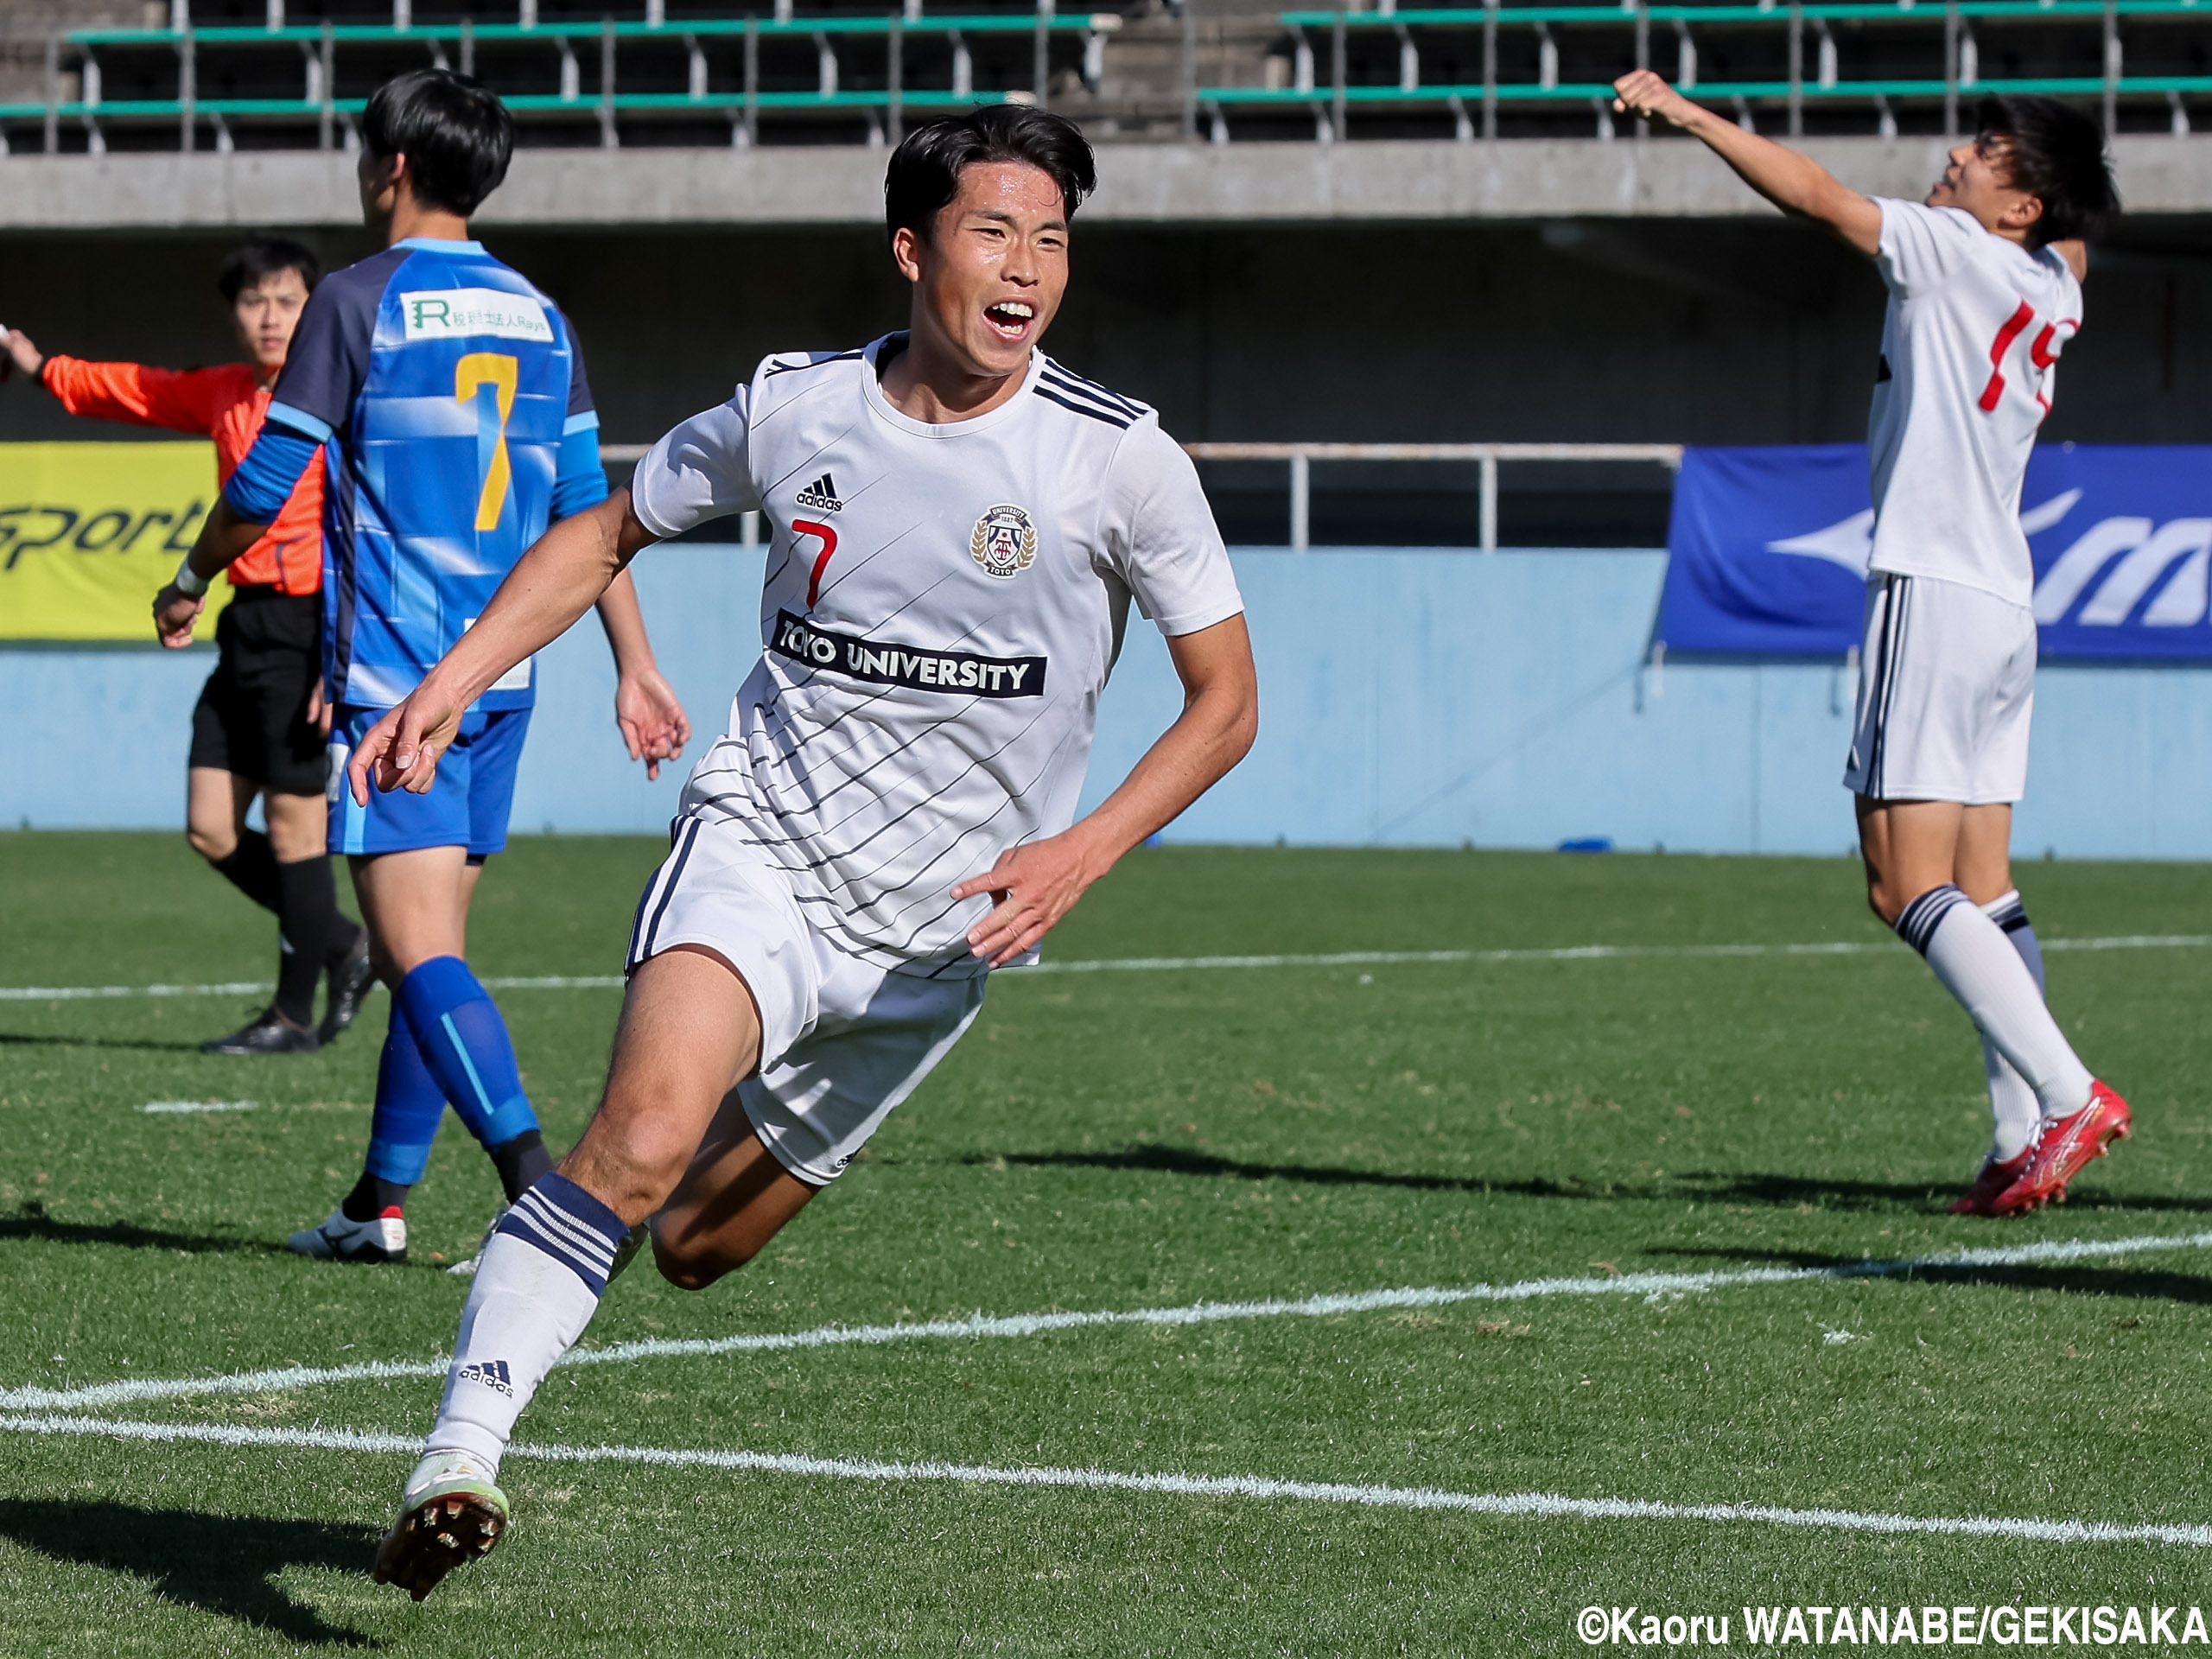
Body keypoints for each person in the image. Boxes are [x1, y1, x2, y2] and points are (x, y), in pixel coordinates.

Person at [352, 105, 1258, 1599]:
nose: (1027, 265)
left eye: (1051, 238)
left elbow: (1225, 705)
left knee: (698, 1245)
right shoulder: (797, 410)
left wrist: (1082, 853)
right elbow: (602, 532)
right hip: (764, 844)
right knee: (639, 1137)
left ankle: (575, 1250)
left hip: (939, 936)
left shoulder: (1122, 462)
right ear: (913, 250)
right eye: (994, 231)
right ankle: (459, 1451)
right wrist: (450, 684)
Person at [157, 68, 691, 1265]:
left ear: (391, 166)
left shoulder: (358, 301)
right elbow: (582, 517)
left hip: (400, 687)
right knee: (422, 949)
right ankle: (377, 1204)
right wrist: (636, 663)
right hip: (504, 682)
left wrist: (194, 576)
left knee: (414, 953)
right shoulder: (541, 314)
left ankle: (547, 1194)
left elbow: (259, 486)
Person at [1611, 75, 2126, 1217]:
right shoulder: (2056, 283)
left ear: (2021, 204)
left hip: (1932, 595)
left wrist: (1692, 116)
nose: (1958, 153)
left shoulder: (1951, 246)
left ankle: (2065, 1094)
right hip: (2004, 609)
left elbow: (1815, 197)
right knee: (1982, 888)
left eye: (1989, 150)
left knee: (1902, 887)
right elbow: (2078, 236)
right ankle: (2016, 1136)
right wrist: (2069, 180)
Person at [3, 241, 376, 1055]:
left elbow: (367, 533)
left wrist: (338, 657)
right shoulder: (224, 393)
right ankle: (346, 944)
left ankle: (292, 1014)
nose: (272, 316)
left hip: (314, 625)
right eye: (254, 300)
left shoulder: (349, 398)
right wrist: (38, 367)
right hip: (243, 623)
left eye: (288, 299)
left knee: (294, 829)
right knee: (210, 826)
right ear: (234, 313)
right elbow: (133, 390)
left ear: (316, 308)